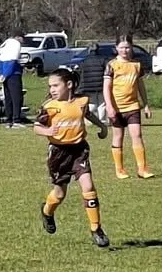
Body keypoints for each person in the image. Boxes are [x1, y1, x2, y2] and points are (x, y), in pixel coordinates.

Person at [33, 69, 112, 250]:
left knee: (89, 186)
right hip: (59, 154)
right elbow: (37, 127)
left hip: (79, 150)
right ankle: (47, 212)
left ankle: (96, 229)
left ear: (69, 85)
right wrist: (47, 131)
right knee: (60, 194)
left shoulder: (82, 101)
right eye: (50, 86)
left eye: (55, 85)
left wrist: (101, 126)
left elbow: (87, 114)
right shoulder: (50, 106)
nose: (52, 89)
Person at [103, 36, 154, 179]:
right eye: (122, 47)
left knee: (137, 135)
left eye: (127, 47)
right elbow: (106, 88)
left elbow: (140, 86)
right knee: (118, 137)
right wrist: (109, 106)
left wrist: (146, 105)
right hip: (117, 107)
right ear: (116, 48)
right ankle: (119, 169)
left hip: (133, 106)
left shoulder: (136, 65)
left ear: (131, 48)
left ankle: (142, 169)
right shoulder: (111, 65)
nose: (125, 50)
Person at [0, 47, 25, 126]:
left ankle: (9, 118)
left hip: (5, 76)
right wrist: (6, 74)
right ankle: (16, 119)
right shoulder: (13, 52)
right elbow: (12, 64)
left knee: (8, 97)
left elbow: (0, 63)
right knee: (16, 98)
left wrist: (1, 74)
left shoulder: (4, 53)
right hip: (14, 75)